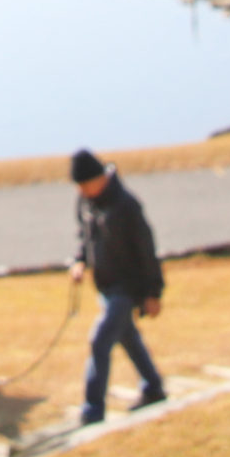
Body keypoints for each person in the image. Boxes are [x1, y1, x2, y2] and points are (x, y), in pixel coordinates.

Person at [68, 148, 164, 426]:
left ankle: (92, 409)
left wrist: (153, 293)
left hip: (127, 287)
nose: (83, 191)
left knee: (99, 341)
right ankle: (153, 386)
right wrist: (79, 262)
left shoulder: (126, 205)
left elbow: (147, 250)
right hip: (104, 286)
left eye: (86, 185)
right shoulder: (85, 202)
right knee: (128, 337)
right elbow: (84, 237)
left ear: (100, 179)